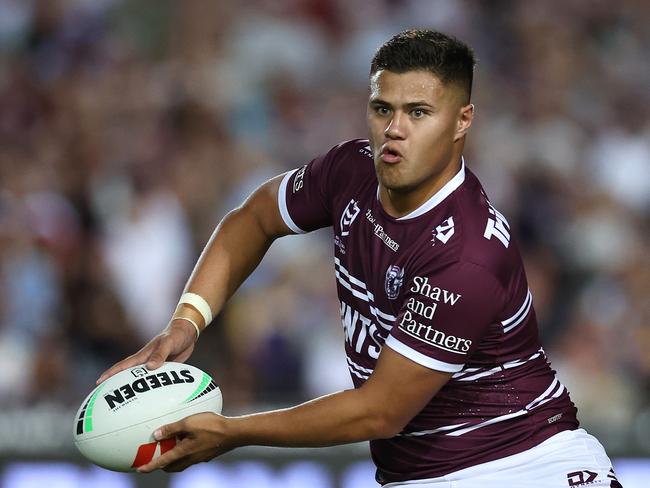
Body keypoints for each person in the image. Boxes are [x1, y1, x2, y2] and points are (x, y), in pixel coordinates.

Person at [98, 29, 622, 487]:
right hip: (419, 474)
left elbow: (380, 411)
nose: (394, 129)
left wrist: (235, 432)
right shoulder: (351, 170)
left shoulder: (467, 253)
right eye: (382, 108)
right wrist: (187, 320)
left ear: (462, 120)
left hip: (526, 466)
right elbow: (252, 218)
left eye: (418, 112)